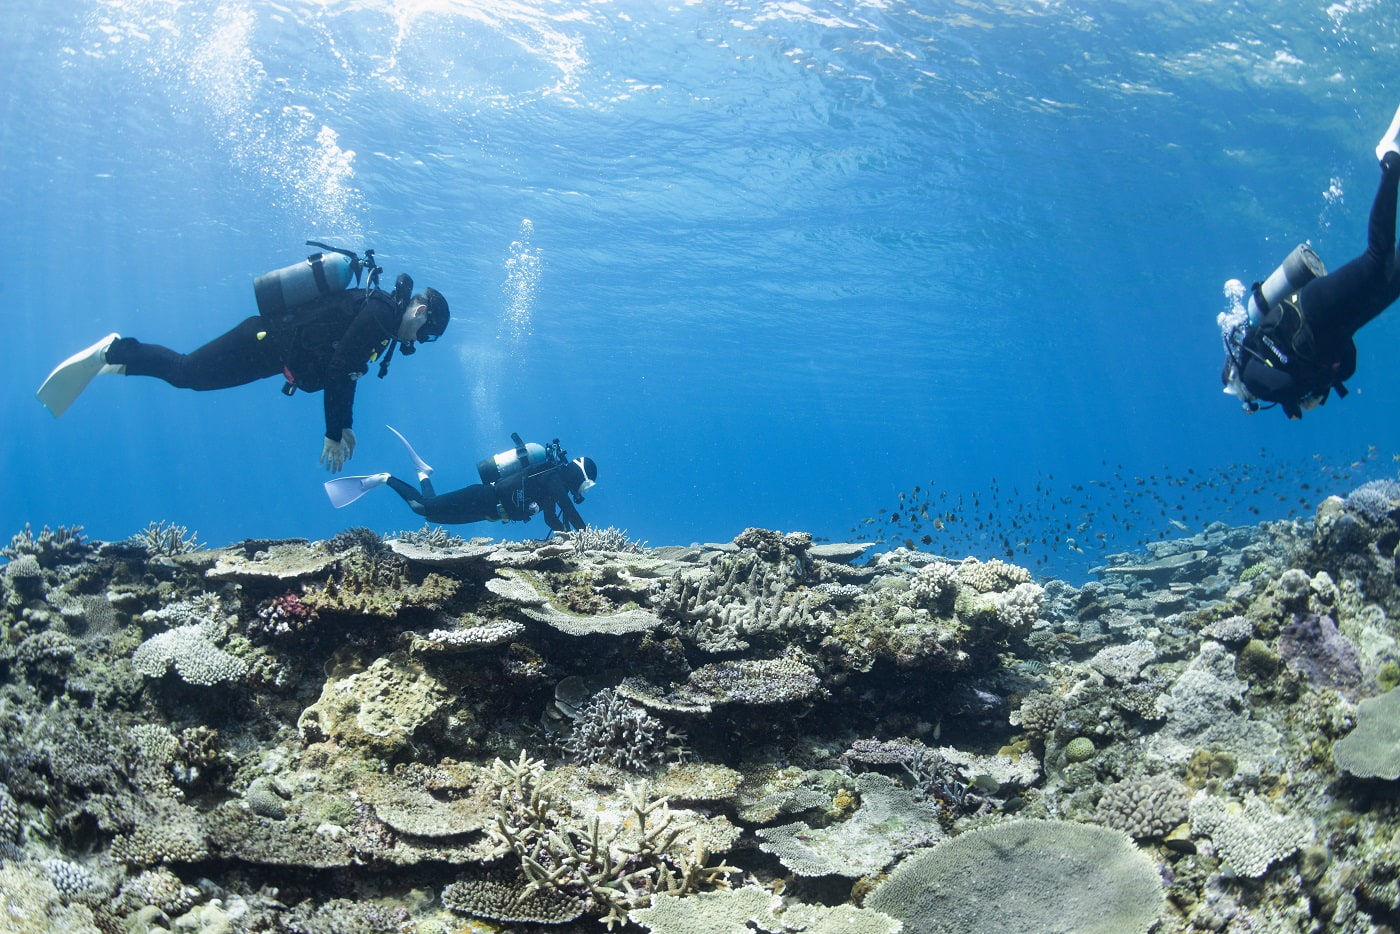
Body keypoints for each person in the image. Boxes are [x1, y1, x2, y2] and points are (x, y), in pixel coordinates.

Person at [36, 245, 450, 472]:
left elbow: (349, 370)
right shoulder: (379, 313)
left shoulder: (380, 324)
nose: (419, 343)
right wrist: (331, 430)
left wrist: (345, 425)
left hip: (273, 354)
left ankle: (119, 359)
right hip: (265, 339)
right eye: (426, 335)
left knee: (189, 377)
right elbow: (341, 367)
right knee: (187, 372)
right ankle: (114, 350)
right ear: (420, 313)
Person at [1220, 104, 1400, 419]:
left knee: (1377, 261)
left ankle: (1389, 159)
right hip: (1328, 328)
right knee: (1393, 277)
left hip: (1312, 312)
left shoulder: (1251, 378)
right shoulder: (1270, 371)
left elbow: (1286, 386)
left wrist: (1310, 392)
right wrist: (1316, 390)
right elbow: (1338, 366)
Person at [326, 426, 598, 532]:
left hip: (489, 512)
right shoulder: (553, 478)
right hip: (484, 498)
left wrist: (566, 539)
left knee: (429, 511)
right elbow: (569, 508)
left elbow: (553, 516)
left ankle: (423, 472)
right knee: (421, 508)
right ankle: (385, 478)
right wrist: (586, 538)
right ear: (579, 475)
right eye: (585, 484)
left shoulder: (549, 485)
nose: (581, 490)